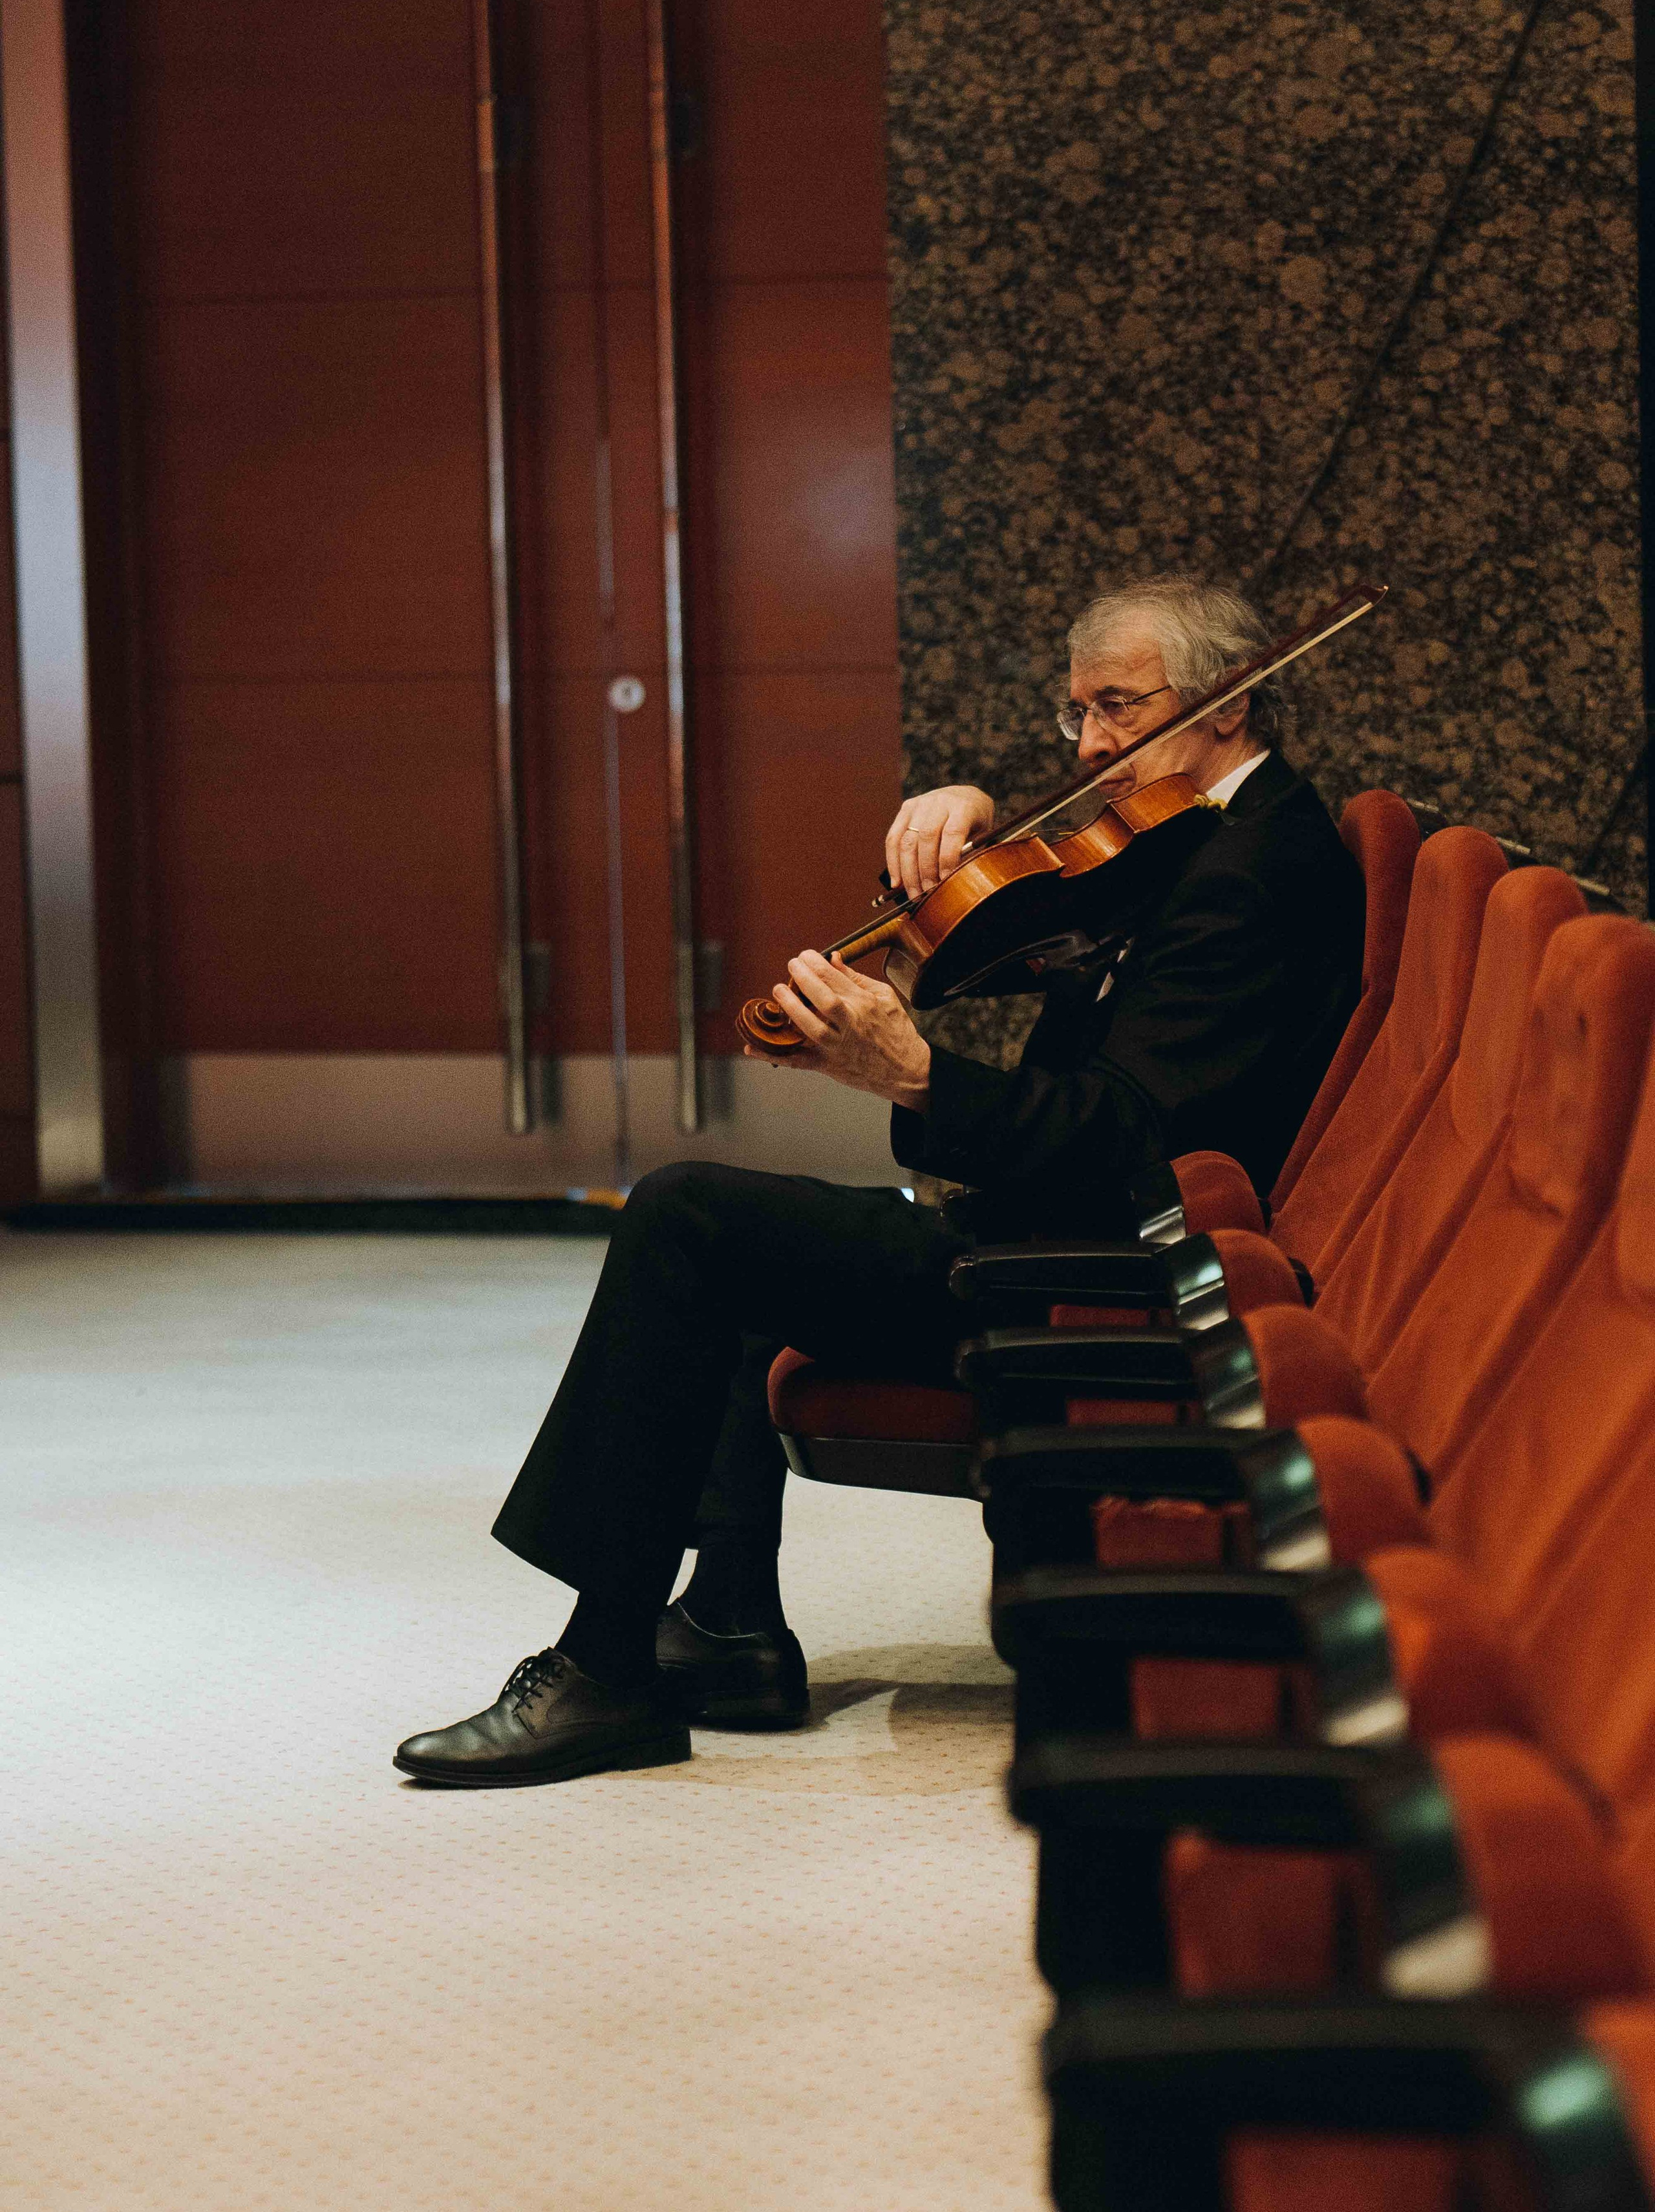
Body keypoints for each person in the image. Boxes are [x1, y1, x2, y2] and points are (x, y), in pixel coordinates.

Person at [394, 573, 1364, 1788]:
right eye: (1079, 715)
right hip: (1066, 1233)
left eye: (1119, 707)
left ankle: (604, 1671)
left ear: (1231, 700)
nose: (1096, 743)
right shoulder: (1185, 831)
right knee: (741, 1244)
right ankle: (730, 1623)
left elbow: (1128, 1136)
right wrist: (967, 822)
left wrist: (915, 1079)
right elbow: (1019, 937)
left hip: (1113, 1275)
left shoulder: (1256, 869)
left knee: (688, 1215)